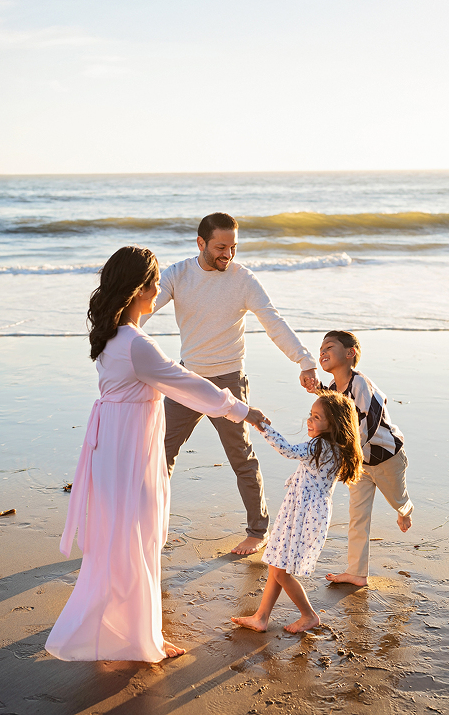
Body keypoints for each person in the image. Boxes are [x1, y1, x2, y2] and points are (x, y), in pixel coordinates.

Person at [45, 246, 268, 663]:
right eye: (154, 283)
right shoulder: (136, 343)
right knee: (140, 536)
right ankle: (141, 637)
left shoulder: (111, 336)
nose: (158, 290)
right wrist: (241, 409)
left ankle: (133, 630)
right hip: (129, 449)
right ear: (138, 289)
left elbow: (177, 382)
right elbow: (187, 383)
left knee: (124, 536)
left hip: (113, 444)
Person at [141, 212, 317, 555]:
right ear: (201, 243)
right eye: (221, 247)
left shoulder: (242, 279)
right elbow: (142, 311)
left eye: (233, 247)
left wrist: (304, 360)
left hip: (228, 383)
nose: (229, 254)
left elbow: (273, 321)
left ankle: (258, 530)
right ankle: (148, 526)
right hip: (187, 379)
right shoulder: (177, 275)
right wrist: (114, 338)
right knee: (159, 455)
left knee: (241, 457)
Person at [231, 392, 363, 634]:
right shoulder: (333, 447)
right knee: (276, 565)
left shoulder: (320, 446)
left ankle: (308, 615)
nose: (309, 421)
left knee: (280, 571)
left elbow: (288, 450)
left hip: (302, 515)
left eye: (316, 417)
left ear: (333, 424)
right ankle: (261, 617)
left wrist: (261, 426)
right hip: (305, 512)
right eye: (310, 415)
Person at [307, 330, 414, 587]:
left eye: (329, 347)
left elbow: (370, 419)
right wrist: (317, 390)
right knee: (358, 517)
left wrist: (349, 451)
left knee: (398, 499)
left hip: (387, 458)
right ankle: (357, 572)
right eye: (320, 348)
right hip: (359, 465)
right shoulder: (334, 389)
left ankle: (405, 510)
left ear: (349, 353)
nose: (322, 352)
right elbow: (335, 409)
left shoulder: (361, 384)